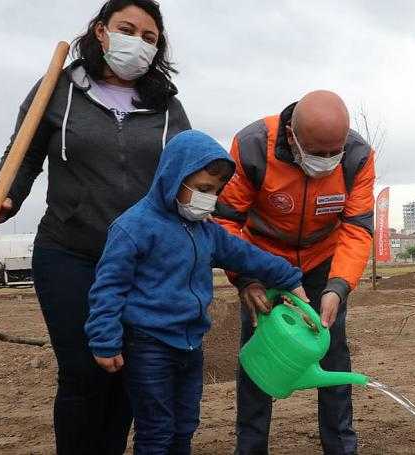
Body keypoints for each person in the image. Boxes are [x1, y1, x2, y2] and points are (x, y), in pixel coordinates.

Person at [0, 1, 191, 452]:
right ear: (100, 31)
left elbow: (186, 171)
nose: (139, 43)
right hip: (70, 251)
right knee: (85, 369)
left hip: (139, 262)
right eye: (127, 29)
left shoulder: (167, 106)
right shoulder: (59, 88)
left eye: (150, 38)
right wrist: (4, 199)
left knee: (128, 369)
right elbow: (24, 155)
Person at [85, 130, 308, 454]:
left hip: (190, 344)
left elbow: (246, 255)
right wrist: (104, 339)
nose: (210, 198)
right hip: (148, 345)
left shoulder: (206, 231)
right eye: (203, 189)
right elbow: (108, 287)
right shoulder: (133, 227)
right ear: (174, 178)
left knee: (185, 424)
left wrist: (289, 278)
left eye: (216, 191)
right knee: (156, 430)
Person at [214, 90, 375, 455]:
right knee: (260, 356)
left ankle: (340, 446)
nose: (326, 161)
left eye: (333, 153)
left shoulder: (357, 156)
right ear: (292, 136)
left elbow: (356, 227)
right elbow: (227, 221)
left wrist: (338, 286)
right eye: (316, 153)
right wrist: (247, 278)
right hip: (261, 262)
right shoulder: (253, 145)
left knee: (333, 355)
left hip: (322, 263)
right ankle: (251, 447)